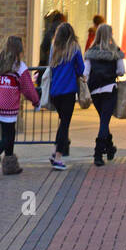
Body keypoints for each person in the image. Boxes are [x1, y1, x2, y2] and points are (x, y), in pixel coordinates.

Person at [0, 35, 40, 179]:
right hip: (9, 106)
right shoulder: (20, 67)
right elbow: (28, 89)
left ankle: (10, 165)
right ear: (19, 49)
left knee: (7, 134)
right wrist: (36, 102)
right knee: (8, 137)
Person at [84, 23, 125, 168]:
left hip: (95, 91)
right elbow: (121, 71)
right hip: (109, 89)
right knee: (104, 122)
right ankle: (98, 153)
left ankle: (110, 146)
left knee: (103, 120)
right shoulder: (116, 52)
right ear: (110, 35)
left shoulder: (90, 53)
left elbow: (86, 73)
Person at [47, 21, 85, 169]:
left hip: (55, 91)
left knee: (63, 122)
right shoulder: (74, 48)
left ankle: (54, 151)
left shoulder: (54, 48)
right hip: (68, 91)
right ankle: (58, 157)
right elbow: (81, 69)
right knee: (65, 125)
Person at [38, 9, 65, 77]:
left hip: (51, 64)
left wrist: (41, 63)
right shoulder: (66, 32)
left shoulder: (49, 32)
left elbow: (43, 48)